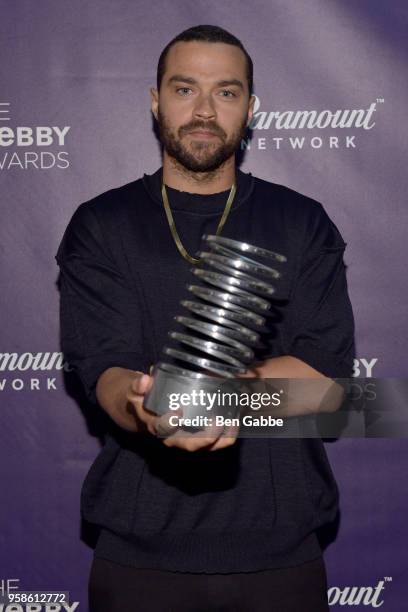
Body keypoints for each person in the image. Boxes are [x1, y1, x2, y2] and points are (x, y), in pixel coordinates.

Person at [55, 25, 355, 612]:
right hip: (140, 554)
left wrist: (209, 400)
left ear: (250, 108)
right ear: (154, 99)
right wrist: (150, 407)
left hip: (280, 551)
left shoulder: (302, 222)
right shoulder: (102, 225)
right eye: (184, 88)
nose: (203, 111)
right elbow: (105, 372)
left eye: (226, 92)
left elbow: (323, 381)